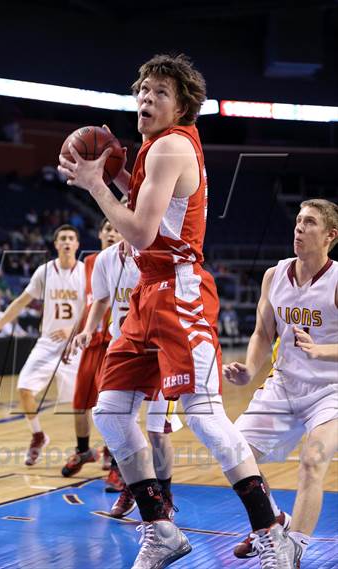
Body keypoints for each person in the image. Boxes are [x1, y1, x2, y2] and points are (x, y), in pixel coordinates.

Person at [59, 53, 293, 569]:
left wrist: (96, 181)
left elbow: (140, 232)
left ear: (183, 105)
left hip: (180, 291)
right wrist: (117, 179)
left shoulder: (167, 147)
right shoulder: (154, 149)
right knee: (112, 411)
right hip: (148, 291)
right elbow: (151, 216)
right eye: (142, 89)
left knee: (204, 416)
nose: (146, 98)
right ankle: (159, 527)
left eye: (160, 92)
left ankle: (273, 529)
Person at [224, 199, 338, 567]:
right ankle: (272, 523)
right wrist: (250, 369)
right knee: (235, 455)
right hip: (284, 385)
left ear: (330, 236)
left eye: (309, 223)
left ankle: (295, 550)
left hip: (330, 390)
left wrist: (322, 352)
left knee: (311, 461)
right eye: (298, 221)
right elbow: (262, 332)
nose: (298, 228)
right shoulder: (275, 275)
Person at [71, 237, 183, 519]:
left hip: (160, 350)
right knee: (118, 423)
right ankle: (134, 487)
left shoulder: (156, 253)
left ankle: (165, 494)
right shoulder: (104, 259)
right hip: (124, 350)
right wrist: (88, 330)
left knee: (158, 431)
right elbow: (100, 300)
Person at [0, 225, 86, 466]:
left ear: (77, 244)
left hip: (75, 343)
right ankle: (38, 435)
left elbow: (97, 308)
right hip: (47, 342)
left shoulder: (87, 272)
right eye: (62, 238)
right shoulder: (44, 272)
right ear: (56, 244)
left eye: (71, 238)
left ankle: (99, 449)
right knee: (24, 388)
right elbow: (20, 302)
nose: (67, 242)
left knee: (85, 402)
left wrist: (73, 328)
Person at [61, 219, 121, 478]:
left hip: (117, 343)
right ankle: (84, 450)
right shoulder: (90, 263)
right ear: (99, 233)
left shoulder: (128, 258)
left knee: (111, 405)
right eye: (107, 228)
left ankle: (118, 460)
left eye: (117, 228)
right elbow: (89, 304)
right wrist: (75, 334)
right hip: (92, 342)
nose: (111, 233)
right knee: (80, 402)